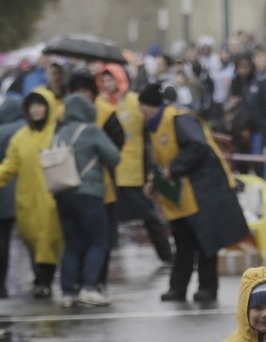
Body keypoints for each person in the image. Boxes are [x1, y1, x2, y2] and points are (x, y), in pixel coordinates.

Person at [139, 82, 250, 302]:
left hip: (203, 191)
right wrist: (156, 180)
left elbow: (197, 147)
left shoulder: (180, 119)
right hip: (183, 195)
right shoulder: (156, 126)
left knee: (205, 242)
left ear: (150, 106)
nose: (140, 113)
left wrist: (173, 169)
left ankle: (207, 288)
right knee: (182, 242)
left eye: (142, 107)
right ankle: (177, 288)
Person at [96, 64, 174, 266]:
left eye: (111, 79)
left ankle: (166, 254)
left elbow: (150, 129)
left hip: (131, 169)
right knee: (107, 218)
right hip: (107, 169)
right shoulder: (99, 103)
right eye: (104, 80)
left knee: (148, 214)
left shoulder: (134, 102)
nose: (107, 84)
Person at [53, 94, 120, 307]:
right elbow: (114, 157)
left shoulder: (60, 132)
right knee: (98, 241)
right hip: (89, 194)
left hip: (63, 193)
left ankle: (67, 291)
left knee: (72, 243)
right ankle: (89, 287)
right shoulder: (91, 131)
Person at [0, 88, 62, 299]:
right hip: (26, 200)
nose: (36, 110)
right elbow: (9, 166)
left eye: (40, 105)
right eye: (32, 106)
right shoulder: (20, 138)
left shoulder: (57, 133)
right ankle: (41, 278)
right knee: (32, 240)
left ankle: (43, 280)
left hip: (52, 198)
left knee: (49, 241)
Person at [0, 96, 23, 298]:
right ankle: (43, 281)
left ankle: (1, 285)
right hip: (27, 192)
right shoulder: (27, 129)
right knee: (36, 239)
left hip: (3, 196)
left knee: (3, 242)